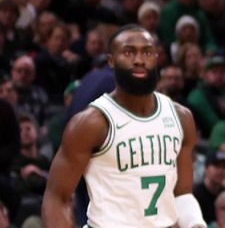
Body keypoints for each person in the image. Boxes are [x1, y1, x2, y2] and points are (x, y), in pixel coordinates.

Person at [41, 26, 207, 227]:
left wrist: (195, 222)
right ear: (111, 61)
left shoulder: (181, 118)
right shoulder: (92, 123)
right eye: (129, 52)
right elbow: (57, 198)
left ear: (157, 57)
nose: (139, 59)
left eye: (147, 52)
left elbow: (181, 195)